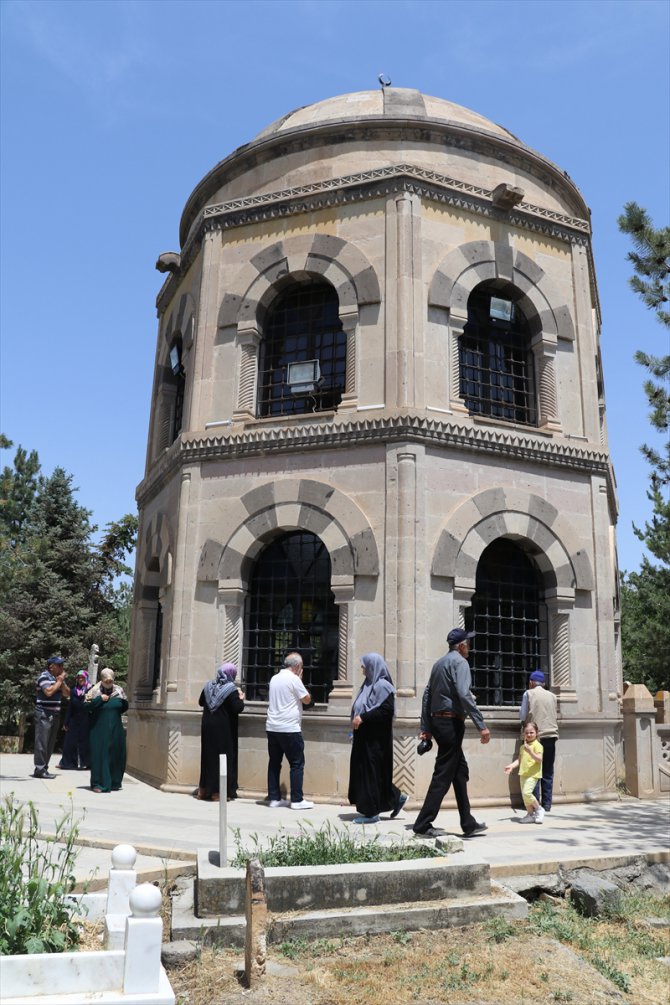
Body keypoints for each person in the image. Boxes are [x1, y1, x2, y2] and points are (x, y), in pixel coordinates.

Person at [413, 628, 490, 838]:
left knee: (459, 771)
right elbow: (464, 694)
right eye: (468, 643)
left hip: (439, 723)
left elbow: (427, 696)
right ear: (462, 645)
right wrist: (481, 725)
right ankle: (422, 824)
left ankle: (468, 822)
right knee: (443, 774)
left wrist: (426, 728)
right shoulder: (460, 663)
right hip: (450, 723)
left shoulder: (439, 664)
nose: (470, 647)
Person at [348, 653, 407, 824]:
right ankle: (396, 798)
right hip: (364, 737)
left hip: (375, 741)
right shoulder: (367, 685)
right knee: (368, 773)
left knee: (370, 774)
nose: (362, 668)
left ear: (373, 666)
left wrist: (363, 718)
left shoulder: (383, 686)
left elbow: (386, 711)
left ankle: (372, 813)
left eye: (364, 665)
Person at [265, 652, 314, 810]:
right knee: (297, 763)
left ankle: (274, 798)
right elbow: (307, 699)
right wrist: (300, 680)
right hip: (289, 728)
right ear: (298, 666)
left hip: (272, 727)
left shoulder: (274, 678)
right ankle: (297, 800)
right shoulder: (294, 679)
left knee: (274, 763)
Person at [196, 663, 245, 802]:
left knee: (208, 757)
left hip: (208, 727)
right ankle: (218, 792)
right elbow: (237, 708)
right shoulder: (231, 689)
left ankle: (203, 790)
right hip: (224, 730)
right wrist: (241, 698)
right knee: (223, 759)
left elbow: (201, 702)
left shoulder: (208, 686)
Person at [520, 669, 558, 811]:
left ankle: (535, 805)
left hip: (535, 738)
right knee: (548, 770)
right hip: (551, 736)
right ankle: (547, 804)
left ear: (531, 682)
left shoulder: (528, 694)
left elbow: (523, 715)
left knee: (534, 771)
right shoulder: (552, 696)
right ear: (543, 683)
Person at [86, 668, 128, 793]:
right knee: (100, 754)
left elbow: (125, 705)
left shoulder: (119, 690)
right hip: (99, 730)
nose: (108, 684)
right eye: (106, 682)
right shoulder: (94, 691)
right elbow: (85, 706)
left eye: (110, 681)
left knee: (116, 753)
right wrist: (99, 700)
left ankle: (114, 781)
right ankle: (98, 783)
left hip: (116, 729)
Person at [33, 656, 70, 779]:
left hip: (55, 714)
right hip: (44, 713)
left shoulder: (57, 679)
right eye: (59, 665)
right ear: (51, 667)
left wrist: (62, 681)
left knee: (49, 743)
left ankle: (44, 768)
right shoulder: (43, 677)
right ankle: (39, 769)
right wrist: (59, 681)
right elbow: (48, 692)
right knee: (42, 742)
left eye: (62, 665)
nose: (62, 668)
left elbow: (67, 694)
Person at [504, 721, 545, 823]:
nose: (529, 735)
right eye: (527, 733)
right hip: (523, 773)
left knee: (527, 793)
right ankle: (530, 815)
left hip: (533, 774)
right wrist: (511, 766)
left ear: (536, 733)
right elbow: (519, 760)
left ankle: (539, 809)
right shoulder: (522, 747)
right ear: (524, 734)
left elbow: (539, 759)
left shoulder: (538, 745)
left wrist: (530, 751)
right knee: (525, 797)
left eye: (531, 732)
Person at [58, 670, 91, 770]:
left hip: (87, 719)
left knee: (85, 742)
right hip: (74, 719)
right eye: (79, 677)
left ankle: (86, 763)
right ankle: (68, 763)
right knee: (70, 741)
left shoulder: (91, 689)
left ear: (86, 678)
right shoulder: (74, 691)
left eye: (82, 677)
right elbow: (70, 708)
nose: (80, 679)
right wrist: (66, 722)